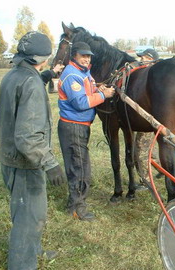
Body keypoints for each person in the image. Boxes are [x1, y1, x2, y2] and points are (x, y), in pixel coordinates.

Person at [0, 31, 65, 270]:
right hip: (26, 163)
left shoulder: (13, 75)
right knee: (29, 218)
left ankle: (33, 250)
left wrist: (46, 76)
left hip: (10, 159)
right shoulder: (31, 83)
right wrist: (50, 163)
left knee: (27, 212)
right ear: (42, 58)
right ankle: (22, 264)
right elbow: (27, 137)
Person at [57, 41, 115, 221]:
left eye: (88, 56)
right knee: (80, 168)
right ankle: (77, 208)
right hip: (73, 127)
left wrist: (97, 88)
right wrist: (103, 95)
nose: (86, 58)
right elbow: (80, 103)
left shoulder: (83, 72)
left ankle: (74, 204)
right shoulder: (72, 75)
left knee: (78, 165)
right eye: (83, 55)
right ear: (74, 55)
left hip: (79, 126)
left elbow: (87, 89)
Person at [133, 49, 162, 187]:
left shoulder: (149, 76)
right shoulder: (156, 76)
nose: (140, 61)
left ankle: (146, 181)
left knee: (141, 148)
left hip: (148, 119)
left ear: (151, 59)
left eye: (143, 58)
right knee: (150, 147)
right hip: (152, 119)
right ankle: (162, 168)